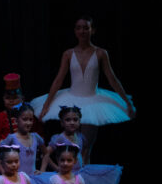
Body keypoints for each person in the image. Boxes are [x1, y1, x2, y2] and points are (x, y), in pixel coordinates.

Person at [31, 15, 135, 162]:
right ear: (75, 31)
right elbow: (58, 80)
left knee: (86, 146)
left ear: (92, 30)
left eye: (86, 28)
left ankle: (83, 181)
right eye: (79, 28)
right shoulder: (68, 54)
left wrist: (127, 102)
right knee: (71, 145)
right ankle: (70, 179)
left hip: (92, 101)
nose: (82, 31)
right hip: (72, 99)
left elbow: (112, 79)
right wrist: (46, 106)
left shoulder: (101, 53)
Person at [45, 105, 124, 184]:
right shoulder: (60, 138)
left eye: (75, 119)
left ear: (79, 122)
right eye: (68, 120)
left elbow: (83, 151)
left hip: (81, 171)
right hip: (68, 174)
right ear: (62, 123)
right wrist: (56, 168)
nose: (72, 122)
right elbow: (45, 154)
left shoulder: (80, 137)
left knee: (111, 171)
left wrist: (85, 163)